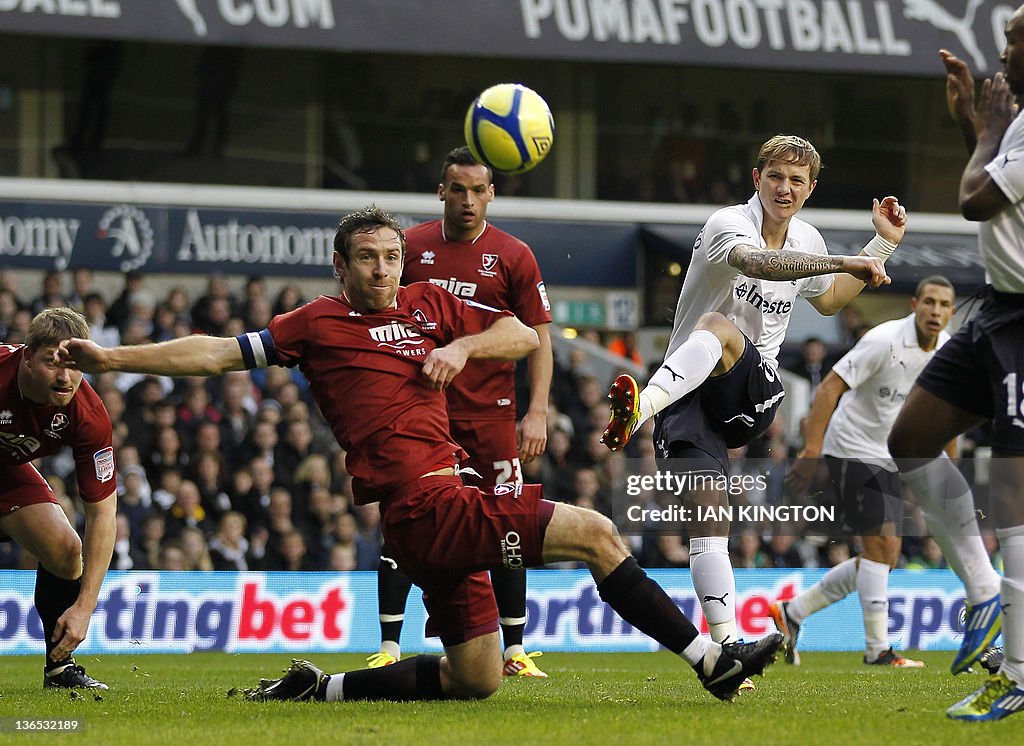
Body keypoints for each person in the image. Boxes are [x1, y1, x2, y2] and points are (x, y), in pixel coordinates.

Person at [59, 206, 782, 704]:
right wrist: (111, 356)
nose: (382, 270)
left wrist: (463, 345)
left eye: (392, 257)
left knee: (476, 678)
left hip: (439, 510)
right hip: (424, 505)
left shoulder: (429, 305)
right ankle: (711, 663)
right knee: (595, 531)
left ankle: (323, 688)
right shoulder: (315, 323)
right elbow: (218, 352)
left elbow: (525, 335)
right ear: (339, 264)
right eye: (368, 259)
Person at [601, 134, 906, 669]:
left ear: (810, 190)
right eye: (775, 177)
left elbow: (832, 301)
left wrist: (879, 248)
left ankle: (638, 411)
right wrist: (850, 259)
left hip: (754, 391)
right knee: (707, 518)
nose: (783, 188)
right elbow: (759, 264)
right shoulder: (726, 224)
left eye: (796, 181)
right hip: (689, 395)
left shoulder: (808, 238)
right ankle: (726, 651)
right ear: (756, 179)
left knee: (718, 325)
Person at [370, 146, 554, 677]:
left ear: (492, 193)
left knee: (509, 521)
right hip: (424, 413)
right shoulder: (411, 247)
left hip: (492, 416)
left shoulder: (515, 255)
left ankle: (515, 649)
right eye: (458, 189)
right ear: (441, 192)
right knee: (409, 519)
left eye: (479, 190)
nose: (469, 200)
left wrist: (537, 410)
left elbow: (539, 338)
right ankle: (389, 643)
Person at [887, 18, 1024, 720]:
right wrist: (977, 120)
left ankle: (1020, 672)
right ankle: (982, 595)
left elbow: (976, 198)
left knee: (1012, 496)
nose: (1004, 54)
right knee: (910, 438)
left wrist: (985, 127)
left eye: (1016, 39)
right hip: (996, 309)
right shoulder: (1017, 123)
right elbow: (993, 178)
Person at [772, 276, 956, 669]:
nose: (935, 311)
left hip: (889, 454)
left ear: (951, 312)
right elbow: (828, 389)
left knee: (885, 556)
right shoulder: (884, 340)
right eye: (929, 302)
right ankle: (878, 651)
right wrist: (810, 451)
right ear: (914, 304)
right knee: (880, 549)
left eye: (943, 305)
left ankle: (793, 612)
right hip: (850, 448)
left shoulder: (947, 351)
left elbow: (950, 410)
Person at [0, 307, 116, 689]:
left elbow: (103, 516)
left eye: (74, 363)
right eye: (52, 362)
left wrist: (85, 606)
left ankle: (59, 668)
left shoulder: (89, 415)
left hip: (6, 471)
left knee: (66, 549)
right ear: (27, 357)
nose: (65, 376)